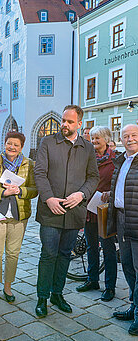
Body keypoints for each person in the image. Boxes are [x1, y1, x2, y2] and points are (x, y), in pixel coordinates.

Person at [34, 105, 99, 318]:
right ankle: (42, 297)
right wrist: (49, 198)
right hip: (50, 211)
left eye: (70, 122)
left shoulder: (87, 148)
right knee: (48, 254)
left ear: (79, 124)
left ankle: (57, 294)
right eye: (63, 120)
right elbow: (40, 173)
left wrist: (81, 194)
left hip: (74, 212)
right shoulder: (48, 142)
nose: (64, 124)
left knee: (64, 255)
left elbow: (93, 178)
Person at [0, 131, 38, 303]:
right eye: (9, 143)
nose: (12, 147)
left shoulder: (29, 164)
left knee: (13, 253)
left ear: (21, 147)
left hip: (18, 215)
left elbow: (35, 190)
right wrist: (3, 192)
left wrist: (21, 190)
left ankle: (8, 286)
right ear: (4, 144)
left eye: (16, 145)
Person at [76, 126, 117, 301]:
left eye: (97, 139)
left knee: (108, 249)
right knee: (91, 246)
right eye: (92, 139)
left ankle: (110, 287)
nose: (93, 142)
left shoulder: (116, 160)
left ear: (107, 140)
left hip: (104, 210)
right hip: (88, 209)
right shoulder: (87, 158)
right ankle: (92, 279)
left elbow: (119, 182)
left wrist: (111, 192)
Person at [106, 124, 138, 336]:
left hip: (136, 220)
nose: (130, 139)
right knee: (127, 264)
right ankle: (134, 307)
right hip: (121, 219)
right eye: (125, 136)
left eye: (134, 135)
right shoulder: (121, 161)